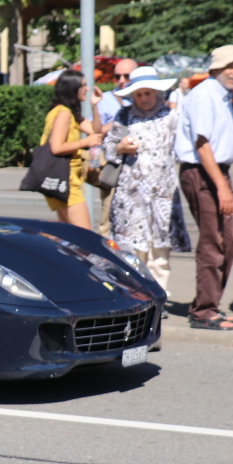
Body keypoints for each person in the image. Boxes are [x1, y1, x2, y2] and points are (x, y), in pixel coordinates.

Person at [176, 44, 233, 330]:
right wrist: (222, 187)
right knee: (213, 243)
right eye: (230, 66)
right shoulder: (205, 95)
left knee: (227, 241)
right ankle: (203, 311)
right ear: (215, 69)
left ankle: (209, 304)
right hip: (203, 172)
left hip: (216, 172)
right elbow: (202, 145)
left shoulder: (221, 96)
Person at [102, 67, 181, 290]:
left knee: (159, 252)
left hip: (162, 197)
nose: (144, 99)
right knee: (134, 252)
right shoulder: (124, 116)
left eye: (148, 93)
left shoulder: (171, 117)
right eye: (139, 94)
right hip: (131, 198)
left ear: (157, 93)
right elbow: (107, 146)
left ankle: (159, 296)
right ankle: (137, 296)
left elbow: (182, 148)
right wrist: (120, 147)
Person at [41, 69, 102, 227]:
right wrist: (84, 143)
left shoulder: (70, 113)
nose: (87, 89)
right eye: (84, 85)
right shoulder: (63, 113)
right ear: (73, 88)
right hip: (65, 182)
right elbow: (56, 147)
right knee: (84, 238)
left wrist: (95, 106)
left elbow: (95, 131)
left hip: (64, 181)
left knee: (71, 239)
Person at [95, 58, 138, 236]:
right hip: (114, 162)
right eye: (117, 76)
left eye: (126, 76)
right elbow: (95, 132)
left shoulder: (142, 96)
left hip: (138, 165)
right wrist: (118, 122)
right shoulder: (105, 99)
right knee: (109, 215)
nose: (121, 81)